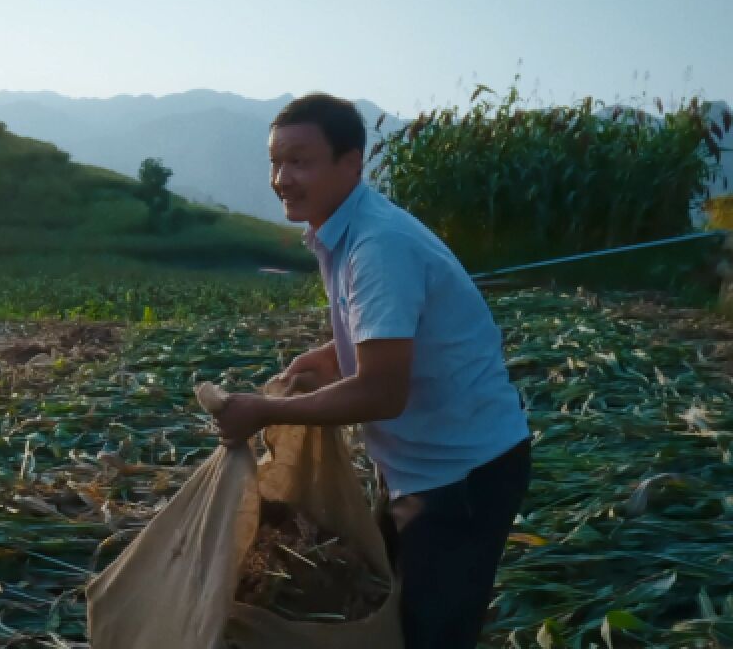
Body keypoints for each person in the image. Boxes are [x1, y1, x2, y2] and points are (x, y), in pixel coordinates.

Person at [212, 93, 532, 649]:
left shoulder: (377, 245)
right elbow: (384, 338)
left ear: (352, 162)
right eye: (275, 162)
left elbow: (383, 392)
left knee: (430, 633)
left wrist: (266, 410)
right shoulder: (339, 229)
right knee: (390, 606)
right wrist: (327, 358)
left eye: (300, 161)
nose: (281, 178)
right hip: (414, 466)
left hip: (461, 475)